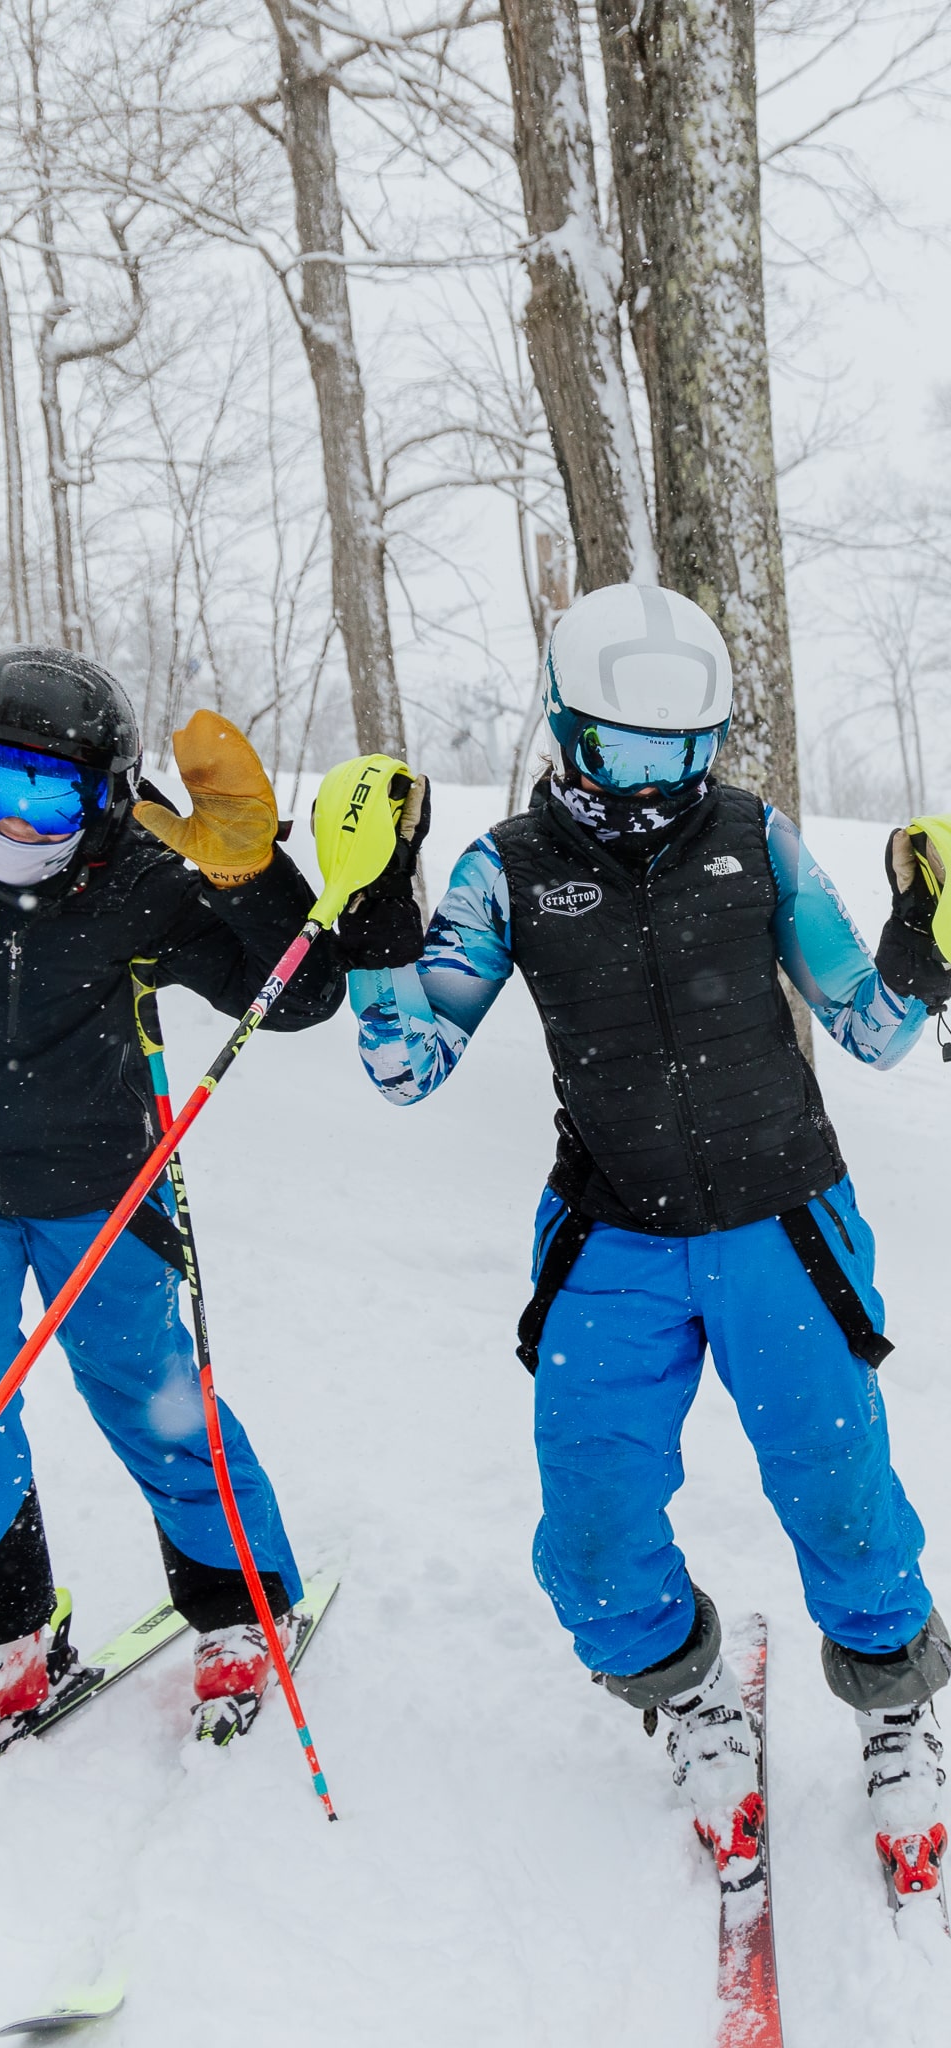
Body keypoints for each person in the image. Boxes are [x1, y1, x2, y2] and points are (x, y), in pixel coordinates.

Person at [339, 581, 951, 1907]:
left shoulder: (756, 840)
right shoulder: (507, 868)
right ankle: (690, 1701)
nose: (663, 781)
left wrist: (922, 944)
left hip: (783, 1217)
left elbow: (872, 1029)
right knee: (596, 1527)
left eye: (690, 749)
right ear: (567, 725)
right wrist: (378, 923)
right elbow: (405, 1068)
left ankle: (899, 1712)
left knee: (842, 1488)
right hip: (611, 1235)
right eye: (627, 749)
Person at [0, 610, 344, 1766]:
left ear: (107, 797)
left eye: (50, 799)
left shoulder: (137, 875)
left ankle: (245, 1603)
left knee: (150, 1390)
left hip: (95, 1182)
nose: (11, 820)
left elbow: (294, 992)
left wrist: (247, 864)